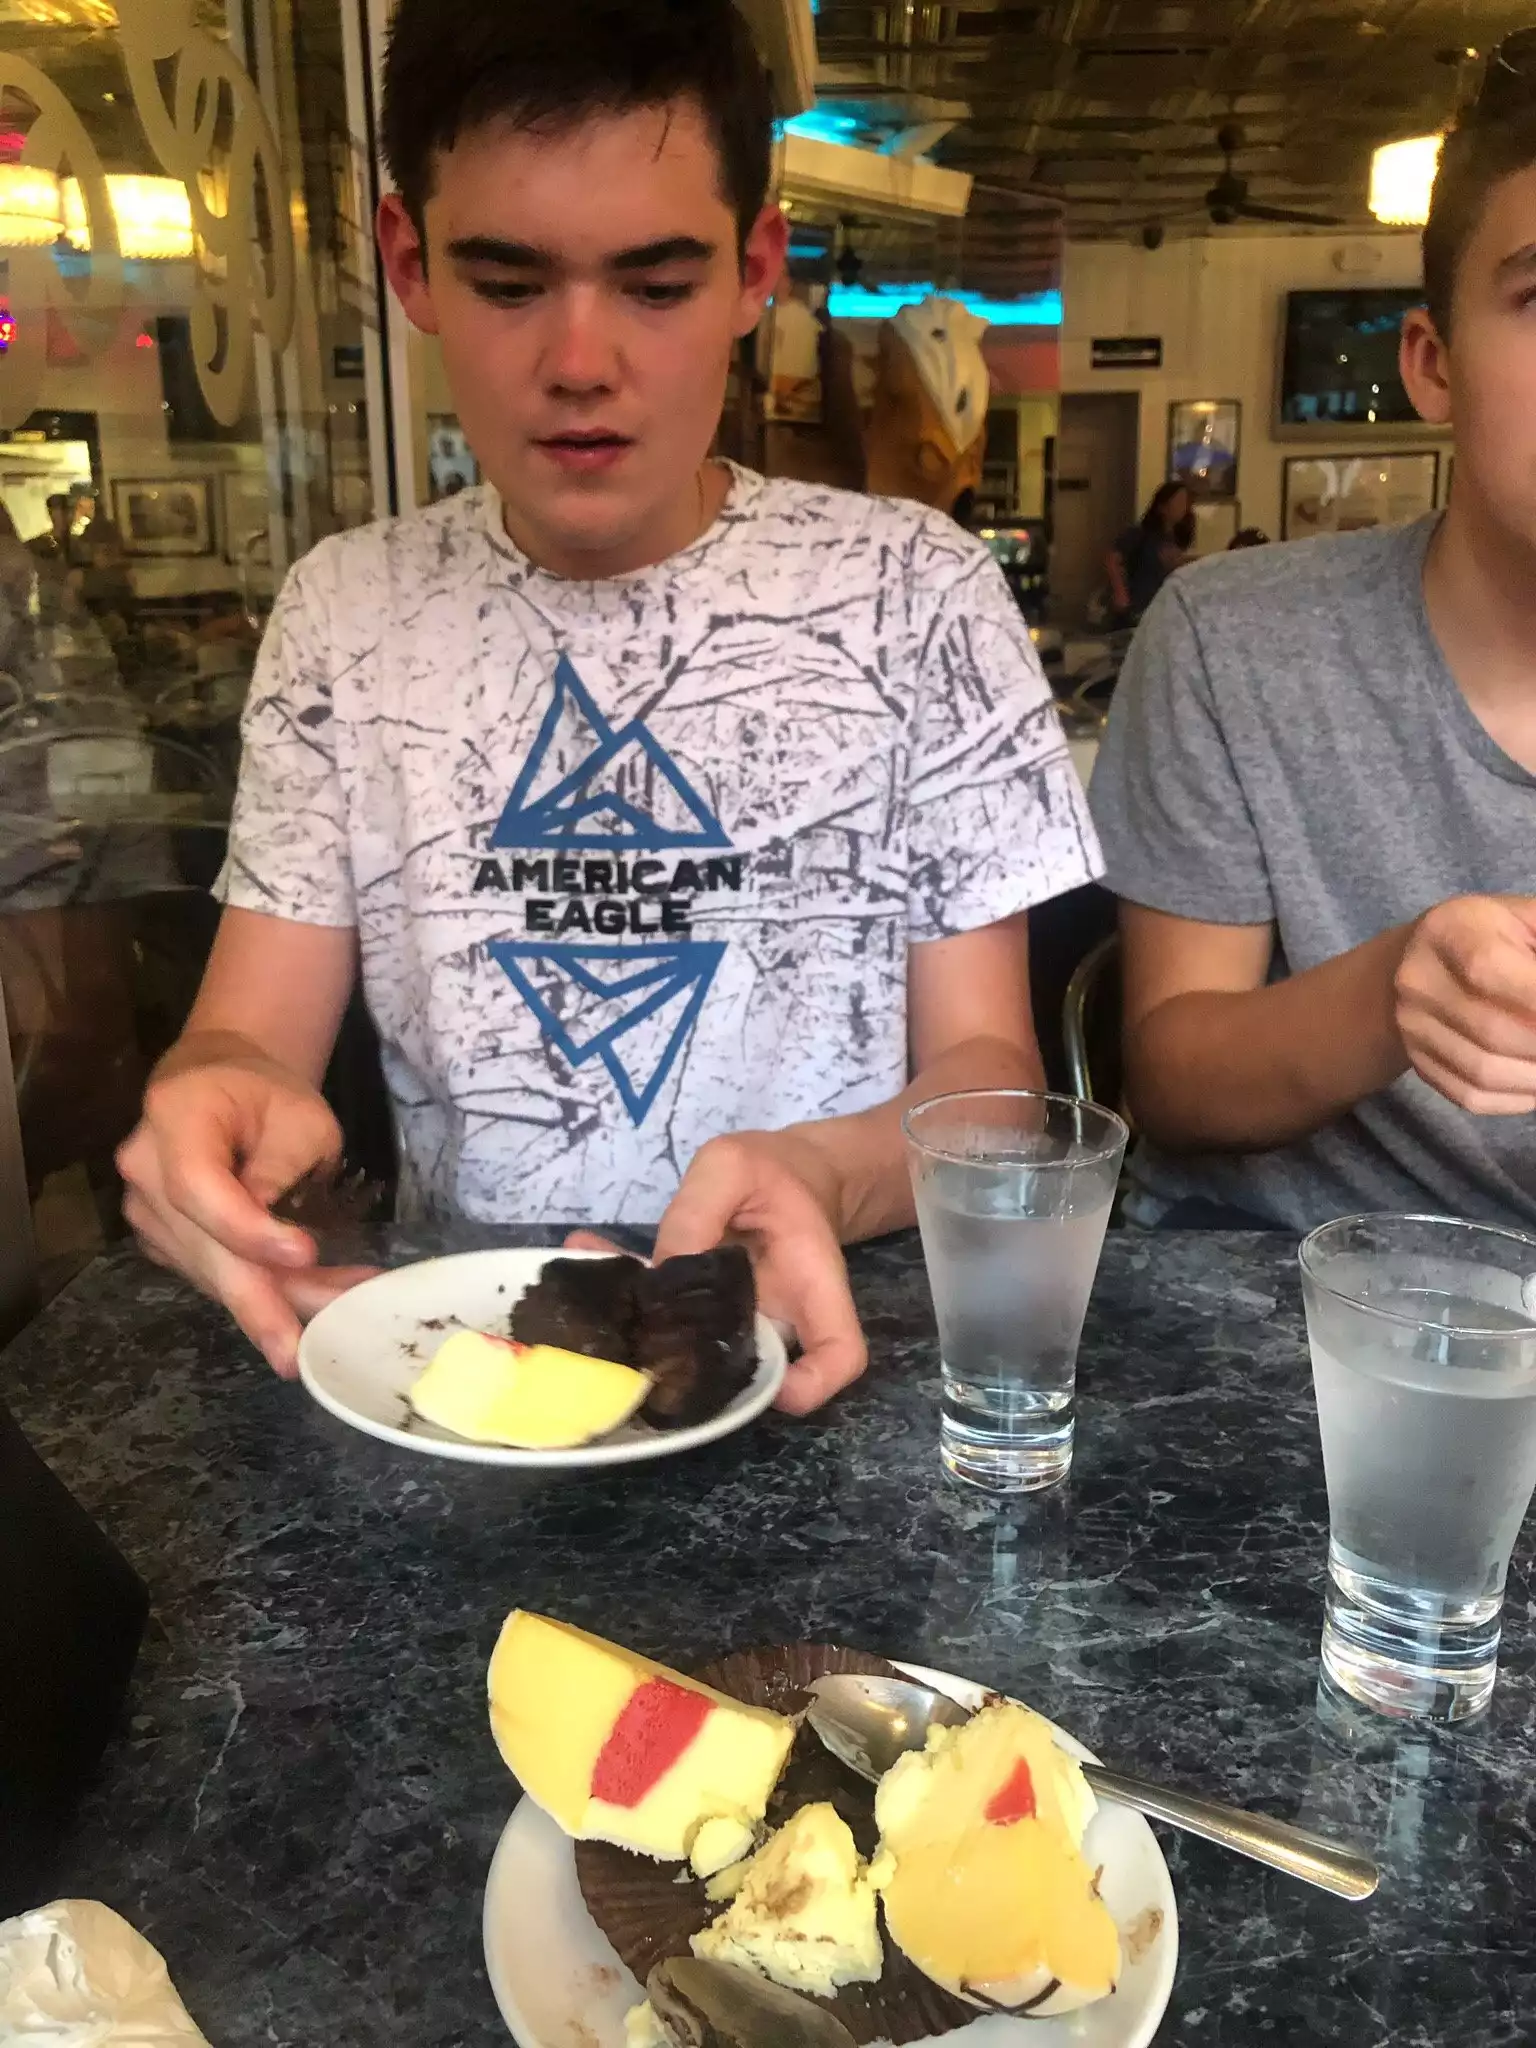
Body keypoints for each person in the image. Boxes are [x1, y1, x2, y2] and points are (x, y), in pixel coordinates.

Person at [116, 0, 1102, 1408]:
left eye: (656, 284)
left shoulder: (921, 593)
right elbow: (249, 1036)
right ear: (410, 264)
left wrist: (823, 1171)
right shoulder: (341, 611)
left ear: (754, 269)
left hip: (834, 1349)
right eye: (510, 282)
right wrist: (208, 1101)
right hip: (469, 1367)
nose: (581, 361)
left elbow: (991, 1082)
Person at [1089, 35, 1536, 1234]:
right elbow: (1168, 1079)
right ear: (1433, 365)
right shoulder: (1236, 639)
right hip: (1270, 1297)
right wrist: (1396, 989)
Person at [1103, 482, 1194, 627]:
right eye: (1178, 501)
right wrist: (1120, 593)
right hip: (1137, 609)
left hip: (1161, 609)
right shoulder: (1141, 533)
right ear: (1162, 507)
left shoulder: (1176, 538)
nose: (1183, 506)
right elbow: (1112, 559)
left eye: (1185, 501)